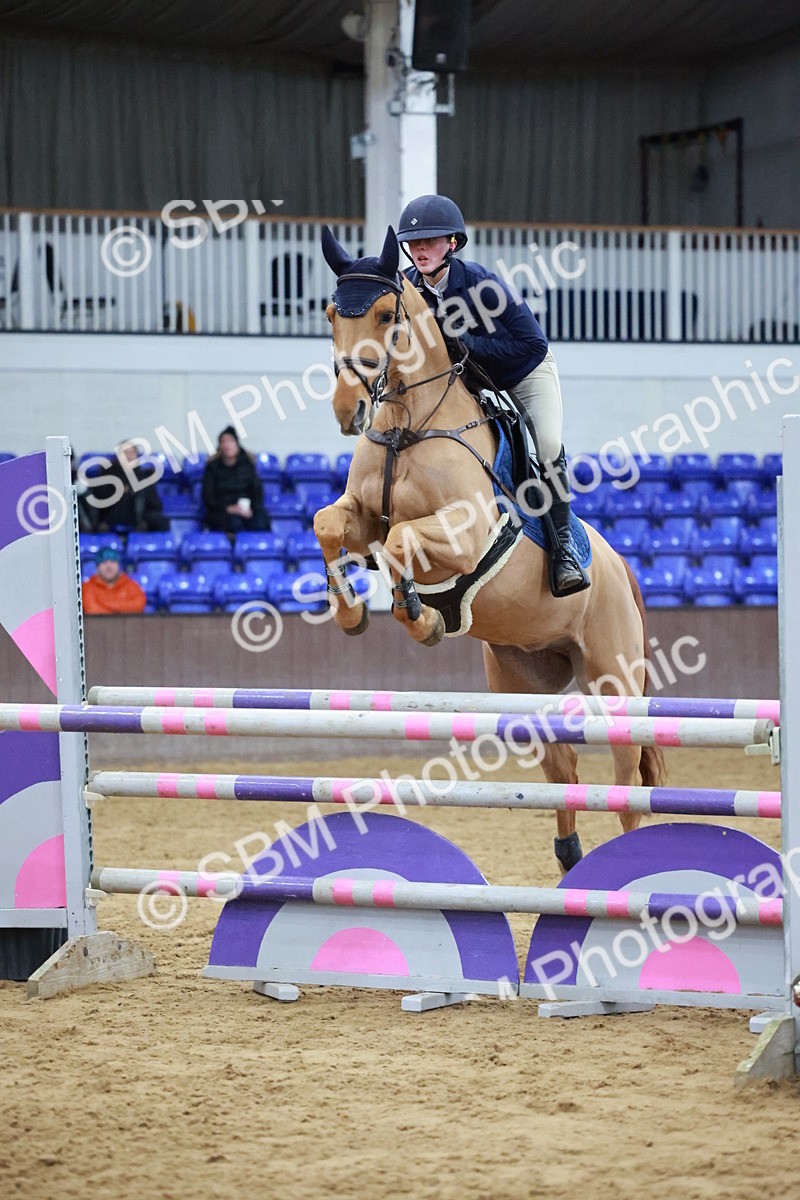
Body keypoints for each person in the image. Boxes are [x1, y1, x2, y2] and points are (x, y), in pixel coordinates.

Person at [396, 193, 588, 597]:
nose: (419, 250)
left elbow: (532, 345)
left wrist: (465, 343)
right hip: (471, 382)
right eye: (413, 243)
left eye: (429, 242)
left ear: (452, 243)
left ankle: (564, 550)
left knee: (548, 444)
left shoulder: (482, 285)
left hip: (523, 373)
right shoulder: (408, 288)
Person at [202, 427, 270, 535]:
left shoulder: (248, 465)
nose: (227, 445)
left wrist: (250, 509)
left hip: (247, 510)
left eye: (230, 441)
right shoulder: (212, 468)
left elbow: (257, 493)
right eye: (224, 442)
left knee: (260, 522)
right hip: (222, 511)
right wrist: (229, 509)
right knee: (234, 524)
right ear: (220, 446)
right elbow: (209, 498)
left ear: (237, 444)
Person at [90, 441, 169, 533]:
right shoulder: (107, 474)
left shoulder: (144, 476)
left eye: (132, 452)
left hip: (141, 514)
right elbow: (99, 498)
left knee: (160, 520)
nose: (129, 456)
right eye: (125, 453)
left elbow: (155, 504)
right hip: (113, 513)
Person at [82, 547, 146, 615]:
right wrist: (122, 609)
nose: (109, 566)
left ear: (119, 565)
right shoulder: (87, 587)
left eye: (113, 561)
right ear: (97, 567)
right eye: (104, 562)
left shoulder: (131, 585)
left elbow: (139, 605)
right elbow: (92, 610)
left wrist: (106, 604)